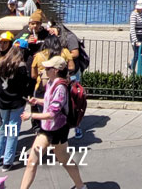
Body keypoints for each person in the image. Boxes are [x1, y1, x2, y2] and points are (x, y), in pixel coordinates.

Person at [19, 56, 86, 189]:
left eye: (48, 68)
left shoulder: (60, 87)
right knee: (32, 161)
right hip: (46, 129)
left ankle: (81, 186)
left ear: (55, 70)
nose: (44, 70)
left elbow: (52, 114)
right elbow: (50, 103)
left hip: (58, 130)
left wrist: (31, 115)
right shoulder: (50, 83)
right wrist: (37, 101)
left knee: (64, 159)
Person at [0, 44, 31, 171]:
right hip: (17, 102)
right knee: (12, 131)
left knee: (2, 129)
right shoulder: (21, 66)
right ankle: (7, 161)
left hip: (2, 101)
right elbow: (25, 86)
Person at [129, 0, 142, 71]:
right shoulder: (133, 15)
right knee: (137, 54)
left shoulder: (141, 13)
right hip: (136, 37)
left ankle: (139, 68)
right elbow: (132, 29)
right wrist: (135, 41)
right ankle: (132, 68)